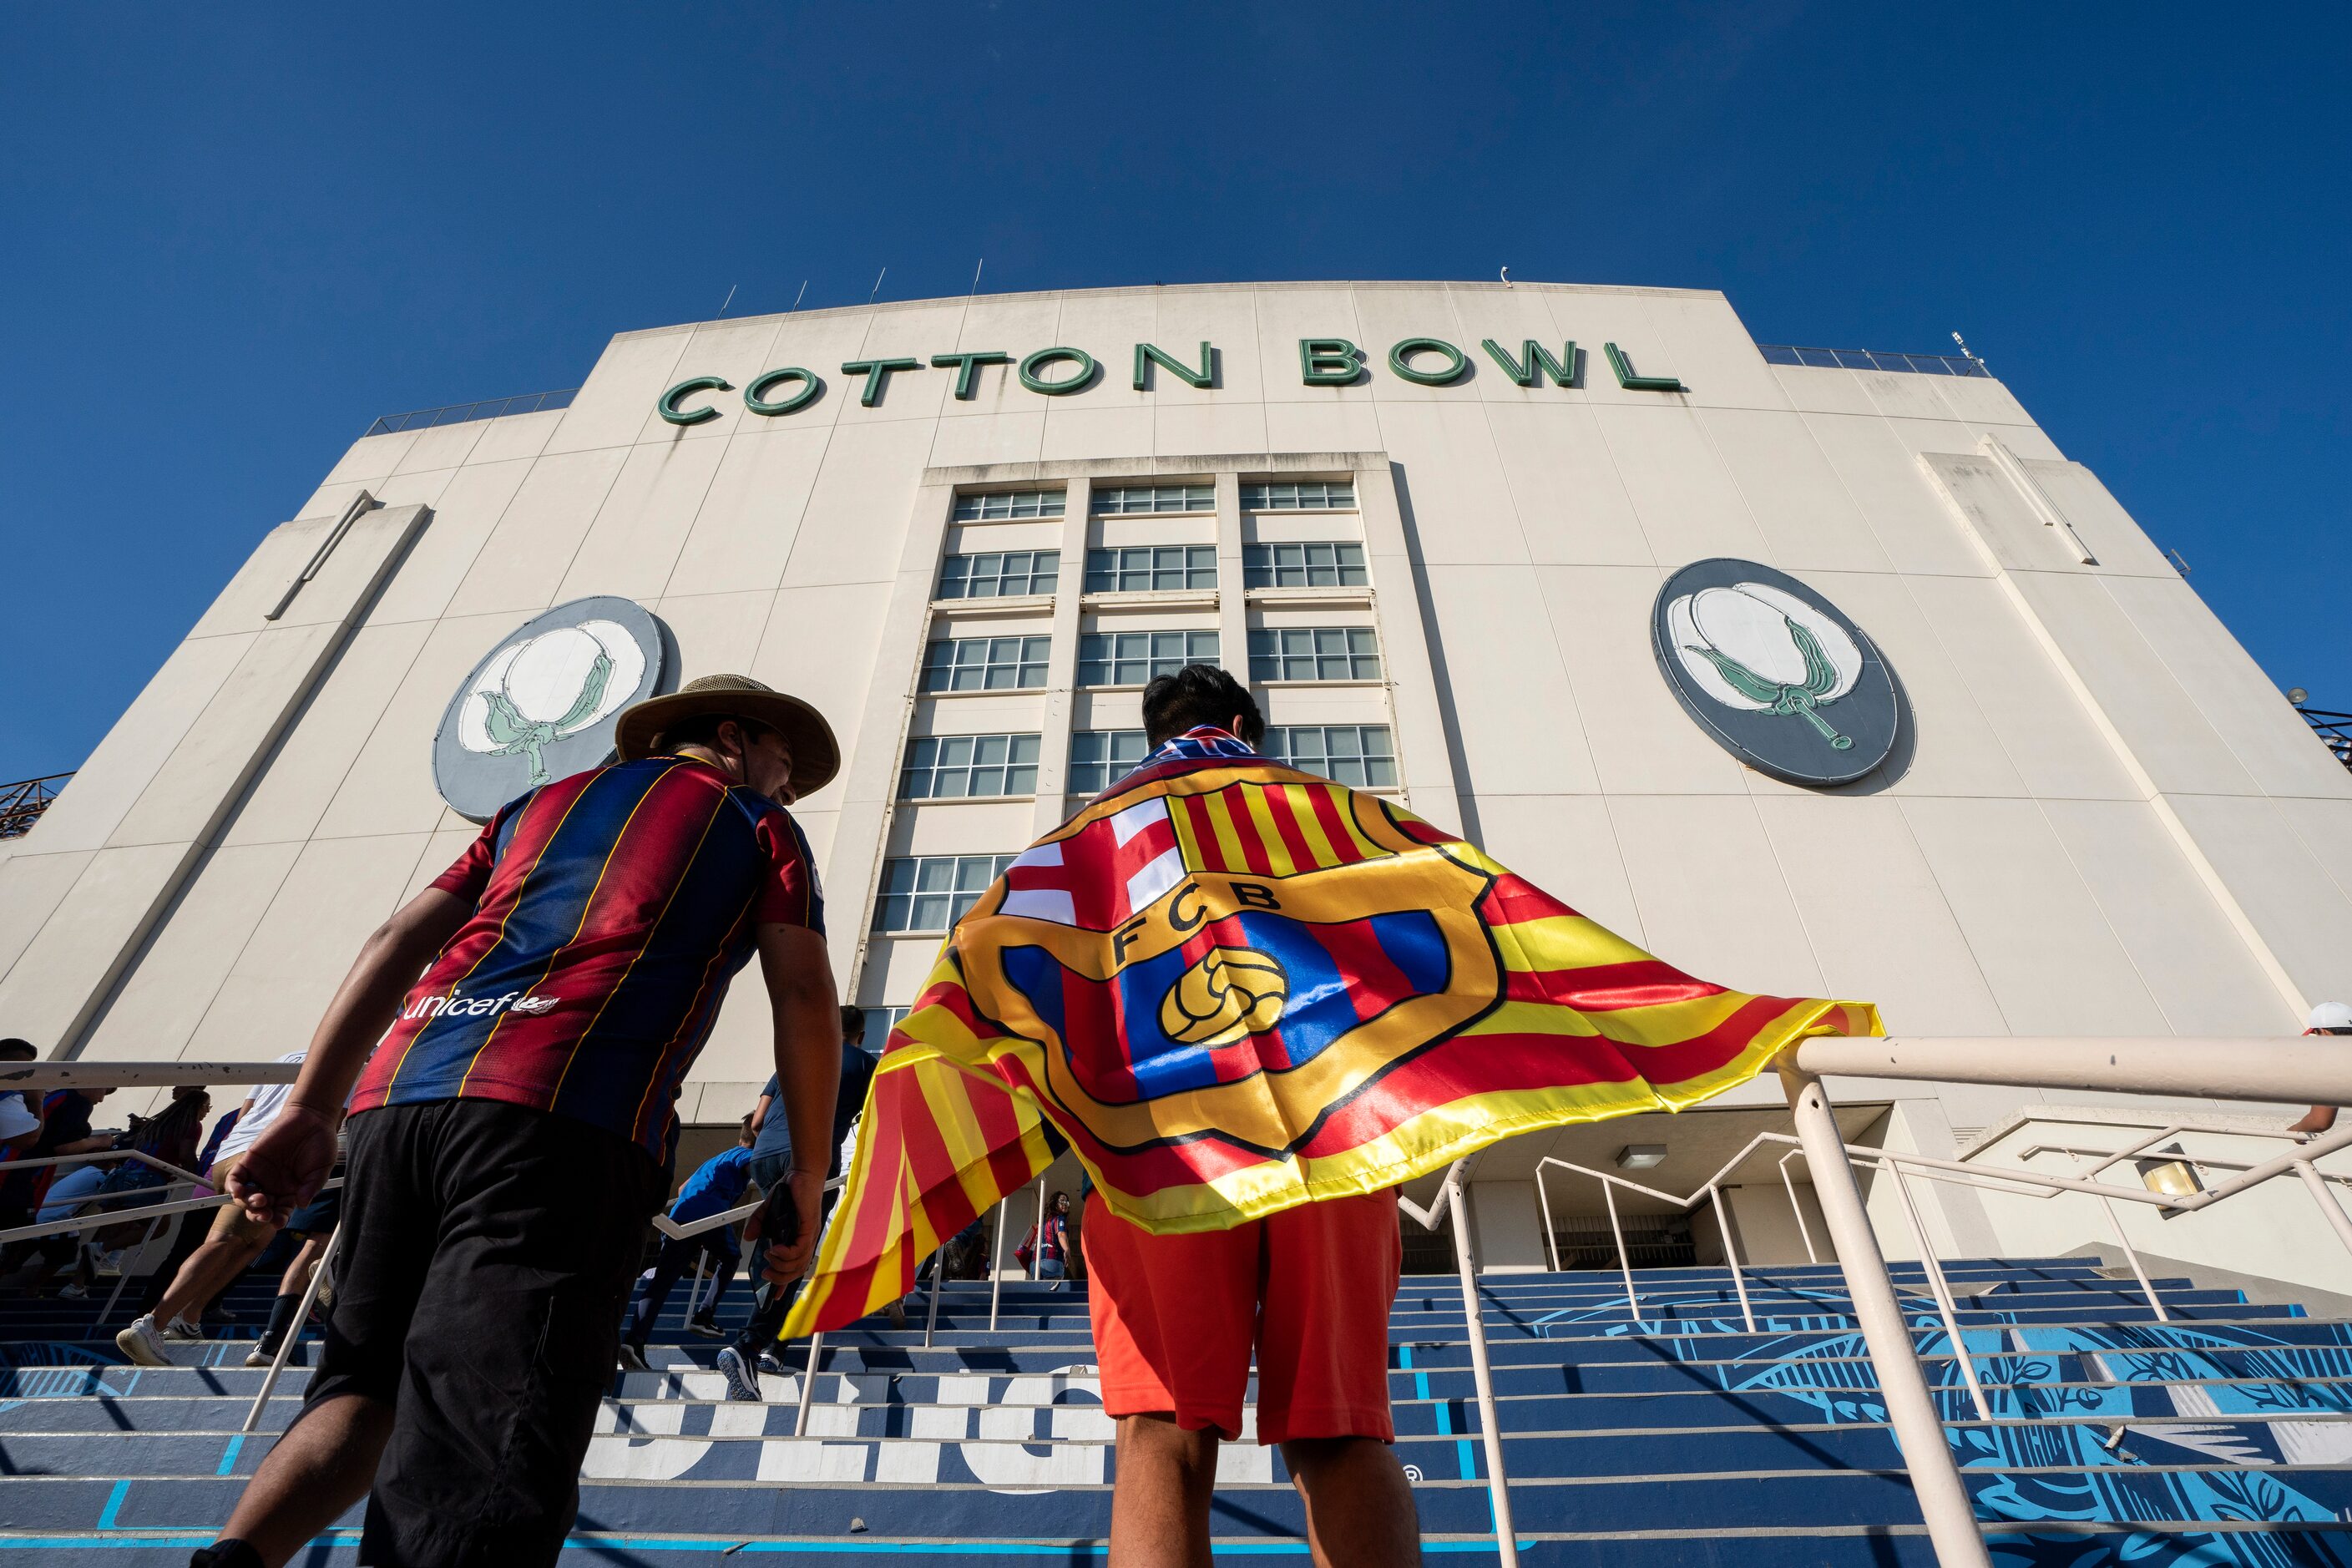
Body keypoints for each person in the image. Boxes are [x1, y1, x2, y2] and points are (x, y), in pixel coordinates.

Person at [187, 672, 844, 1568]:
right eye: (784, 762)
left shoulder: (530, 806)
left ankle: (235, 1558)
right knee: (489, 1437)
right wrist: (806, 1169)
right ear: (732, 737)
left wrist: (312, 1103)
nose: (788, 784)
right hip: (566, 1113)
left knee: (360, 1384)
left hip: (401, 1096)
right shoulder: (753, 822)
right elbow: (802, 990)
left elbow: (393, 942)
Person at [1082, 665, 1421, 1568]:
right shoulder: (1319, 807)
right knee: (1339, 1427)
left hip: (1160, 1131)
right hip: (1330, 1118)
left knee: (1161, 1429)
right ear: (1242, 724)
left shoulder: (1095, 831)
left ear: (1153, 735)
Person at [716, 1003, 878, 1400]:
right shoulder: (862, 1063)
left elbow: (755, 1122)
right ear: (859, 1036)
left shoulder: (798, 1052)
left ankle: (770, 1347)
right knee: (794, 1258)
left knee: (781, 1253)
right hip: (807, 1161)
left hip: (764, 1159)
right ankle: (748, 1346)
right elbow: (878, 1121)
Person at [117, 1053, 306, 1356]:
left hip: (229, 1156)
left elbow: (244, 1116)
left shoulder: (285, 1059)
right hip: (265, 1156)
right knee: (224, 1241)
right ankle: (152, 1324)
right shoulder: (350, 1062)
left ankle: (190, 1316)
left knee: (257, 1241)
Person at [618, 1116, 759, 1370]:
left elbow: (683, 1188)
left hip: (681, 1217)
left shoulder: (716, 1159)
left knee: (662, 1281)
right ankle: (704, 1315)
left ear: (741, 1136)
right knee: (731, 1257)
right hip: (707, 1211)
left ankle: (634, 1340)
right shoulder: (743, 1154)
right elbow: (755, 1164)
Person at [2290, 1001, 2352, 1136]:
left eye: (2316, 1034)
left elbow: (2319, 1121)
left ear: (2323, 1032)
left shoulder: (2334, 1061)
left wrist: (2293, 1132)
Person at [1016, 1191, 1075, 1283]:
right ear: (1055, 1204)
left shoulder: (1041, 1223)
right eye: (1062, 1201)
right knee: (1052, 1293)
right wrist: (1067, 1249)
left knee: (1038, 1294)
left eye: (1067, 1202)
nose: (1065, 1204)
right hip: (1052, 1262)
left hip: (1034, 1264)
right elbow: (1061, 1234)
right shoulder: (1060, 1219)